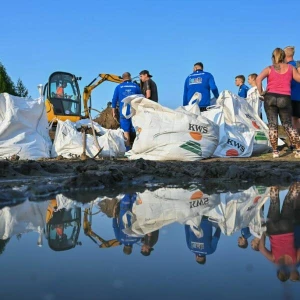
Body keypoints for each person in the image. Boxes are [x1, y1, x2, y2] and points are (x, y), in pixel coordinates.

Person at [256, 48, 300, 158]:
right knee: (288, 125)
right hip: (285, 98)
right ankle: (298, 149)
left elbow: (258, 79)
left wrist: (261, 92)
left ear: (272, 57)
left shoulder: (269, 68)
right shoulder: (290, 68)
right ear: (284, 57)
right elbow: (299, 79)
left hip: (270, 97)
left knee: (272, 125)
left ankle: (275, 152)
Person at [259, 184, 300, 282]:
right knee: (274, 202)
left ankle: (296, 184)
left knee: (289, 202)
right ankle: (274, 184)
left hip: (287, 229)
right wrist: (263, 233)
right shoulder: (274, 261)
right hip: (273, 230)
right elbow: (261, 248)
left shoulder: (295, 261)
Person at [111, 72, 141, 151]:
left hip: (124, 112)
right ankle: (138, 147)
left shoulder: (118, 87)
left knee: (125, 131)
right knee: (137, 129)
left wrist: (113, 111)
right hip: (135, 111)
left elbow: (114, 100)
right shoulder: (136, 86)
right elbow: (141, 98)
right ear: (130, 77)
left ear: (122, 78)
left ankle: (128, 149)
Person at [284, 46, 300, 136]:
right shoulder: (298, 65)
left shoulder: (286, 67)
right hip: (298, 96)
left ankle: (294, 142)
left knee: (291, 120)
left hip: (290, 96)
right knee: (297, 119)